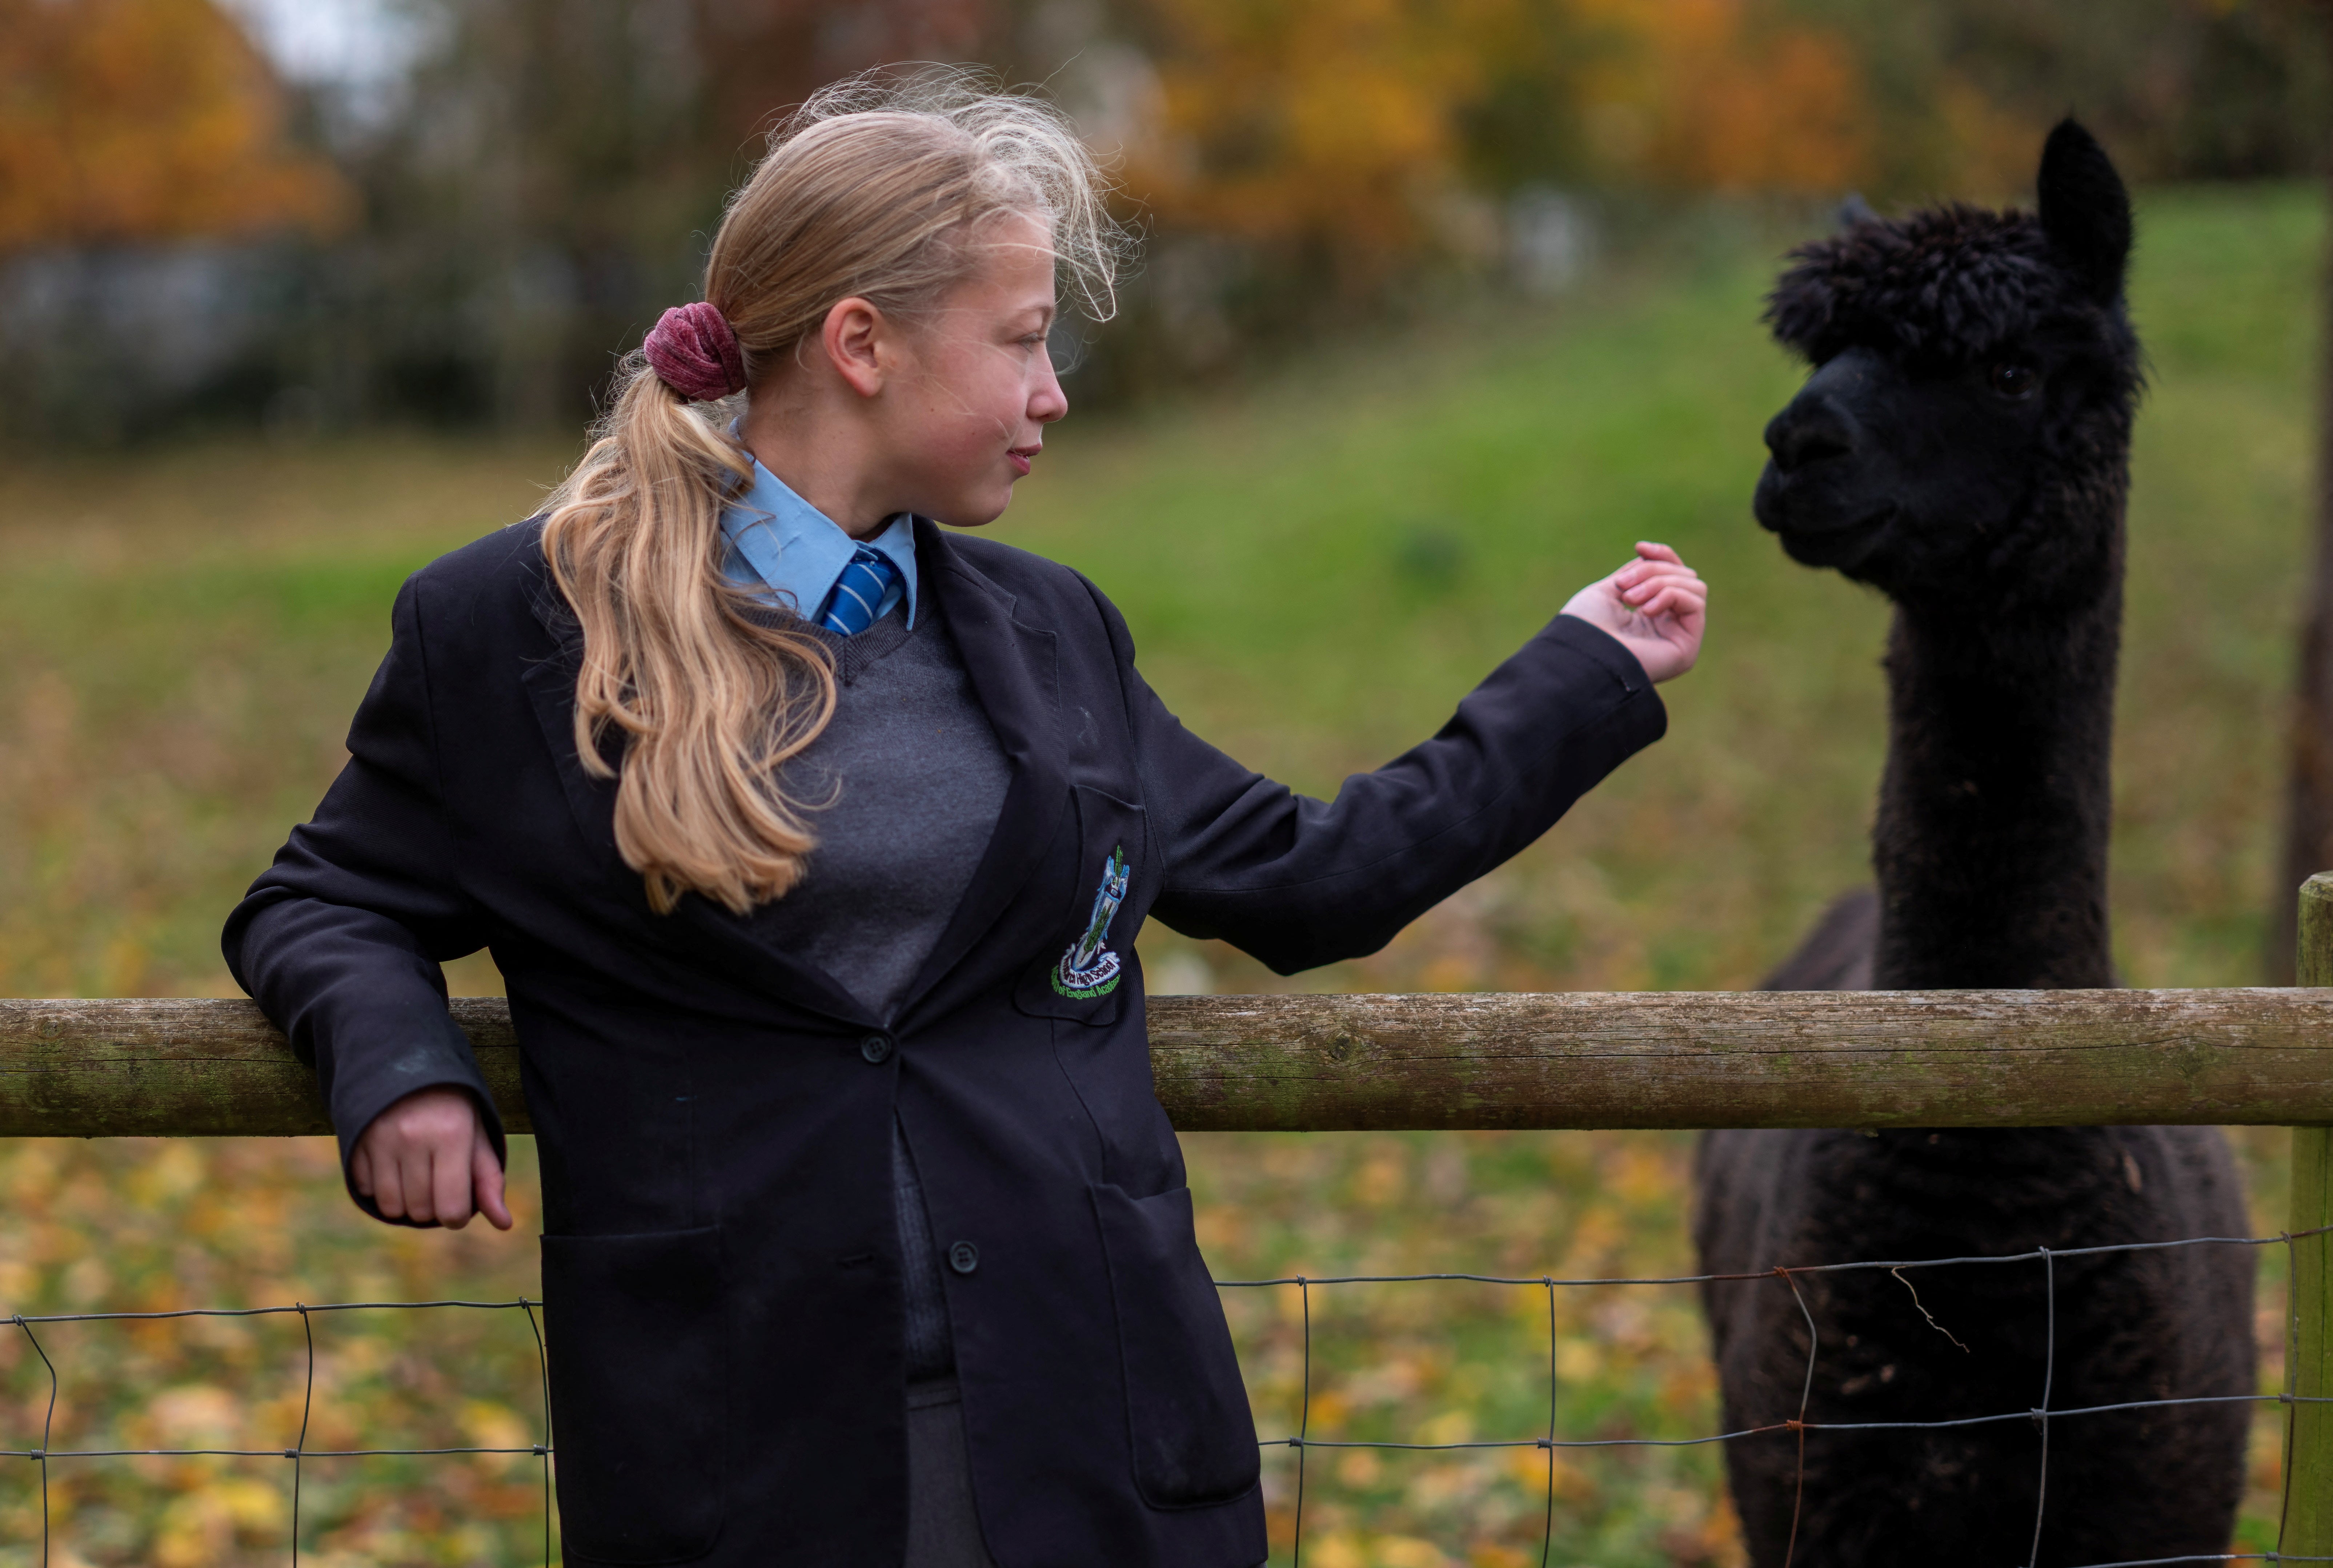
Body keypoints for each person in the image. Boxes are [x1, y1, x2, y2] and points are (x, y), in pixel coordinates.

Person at [223, 69, 1706, 1568]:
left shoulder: (1056, 633)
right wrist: (400, 1070)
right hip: (741, 1455)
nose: (1053, 391)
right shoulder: (514, 629)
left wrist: (1582, 675)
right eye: (1022, 341)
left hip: (1095, 1434)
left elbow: (1310, 878)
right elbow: (324, 898)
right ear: (862, 343)